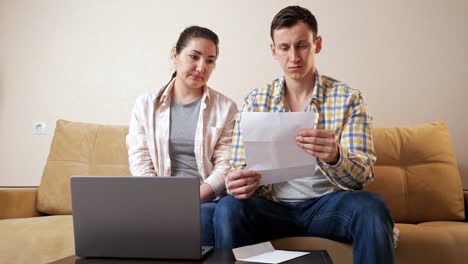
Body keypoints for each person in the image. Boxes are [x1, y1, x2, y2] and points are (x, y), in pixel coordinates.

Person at [213, 6, 396, 263]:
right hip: (273, 207)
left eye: (302, 45)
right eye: (285, 48)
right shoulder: (255, 100)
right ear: (273, 51)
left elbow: (362, 175)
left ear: (317, 44)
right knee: (228, 208)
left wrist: (335, 156)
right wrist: (238, 182)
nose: (294, 56)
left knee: (372, 207)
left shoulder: (348, 99)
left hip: (328, 206)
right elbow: (238, 167)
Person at [126, 26, 238, 247]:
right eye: (194, 57)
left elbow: (226, 164)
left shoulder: (226, 108)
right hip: (157, 200)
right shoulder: (146, 105)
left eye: (210, 61)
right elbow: (140, 160)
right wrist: (163, 200)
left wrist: (190, 199)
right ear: (175, 55)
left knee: (202, 218)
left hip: (205, 200)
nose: (201, 67)